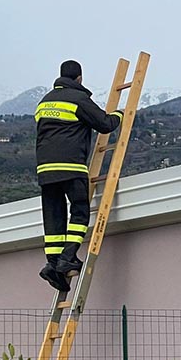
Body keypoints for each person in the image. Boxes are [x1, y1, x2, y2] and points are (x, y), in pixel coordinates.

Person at [35, 60, 123, 292]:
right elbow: (104, 124)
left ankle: (53, 264)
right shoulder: (78, 99)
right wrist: (120, 114)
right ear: (79, 78)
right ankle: (68, 257)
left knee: (54, 218)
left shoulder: (44, 102)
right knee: (80, 211)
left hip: (45, 169)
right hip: (71, 166)